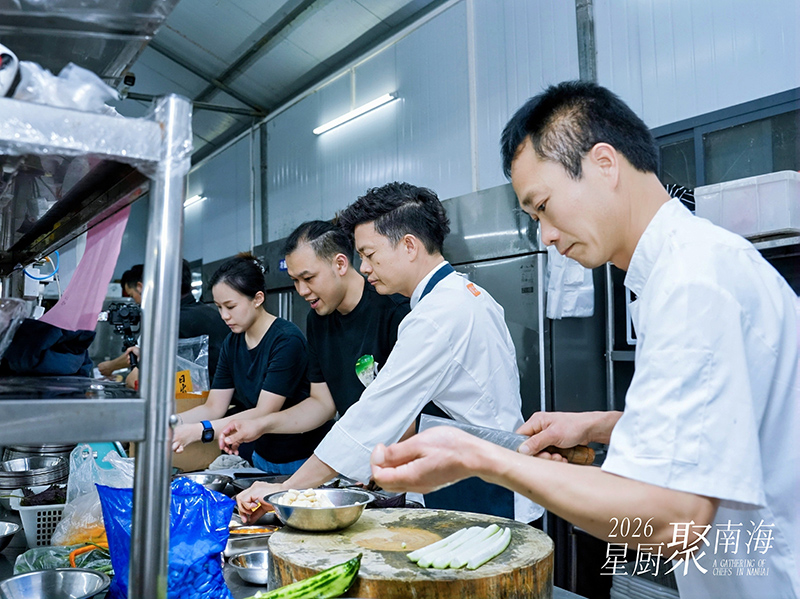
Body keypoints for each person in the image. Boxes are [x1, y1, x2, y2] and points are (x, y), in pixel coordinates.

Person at [369, 81, 799, 598]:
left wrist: (482, 458)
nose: (546, 236)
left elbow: (673, 520)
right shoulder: (680, 269)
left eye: (544, 207)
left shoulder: (691, 281)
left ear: (604, 164)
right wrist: (604, 426)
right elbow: (730, 423)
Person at [236, 182, 543, 524]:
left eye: (369, 254)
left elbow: (374, 415)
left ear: (409, 246)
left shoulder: (437, 316)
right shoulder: (465, 295)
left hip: (484, 490)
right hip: (474, 476)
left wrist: (289, 491)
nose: (364, 267)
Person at [218, 220, 410, 454]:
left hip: (402, 454)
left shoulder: (394, 311)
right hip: (363, 454)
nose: (302, 291)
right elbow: (322, 404)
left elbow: (410, 408)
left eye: (308, 278)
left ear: (340, 264)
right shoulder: (318, 320)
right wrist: (261, 424)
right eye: (295, 281)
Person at [172, 252, 333, 475]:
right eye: (219, 307)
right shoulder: (233, 342)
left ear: (257, 299)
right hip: (262, 455)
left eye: (230, 306)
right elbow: (214, 406)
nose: (224, 316)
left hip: (303, 459)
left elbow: (264, 411)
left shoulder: (286, 340)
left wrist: (199, 431)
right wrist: (173, 422)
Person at [101, 261, 231, 387]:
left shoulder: (168, 324)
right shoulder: (210, 313)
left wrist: (140, 363)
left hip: (202, 402)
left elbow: (136, 381)